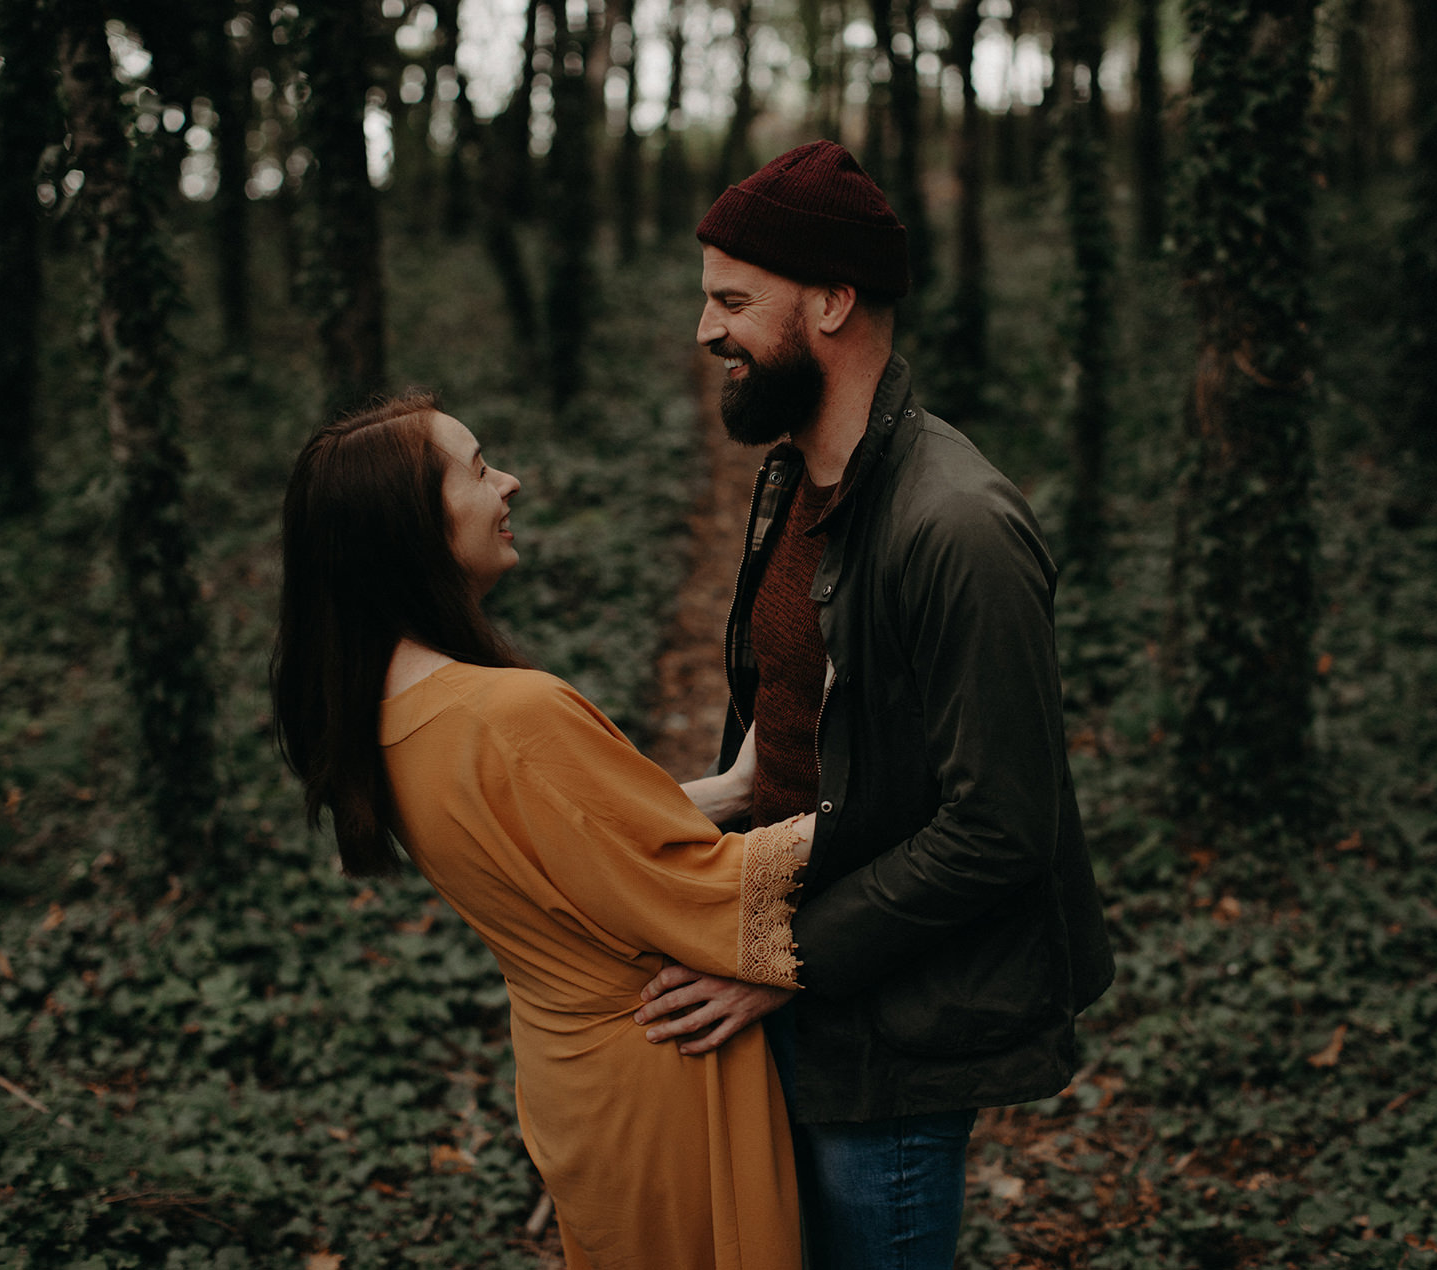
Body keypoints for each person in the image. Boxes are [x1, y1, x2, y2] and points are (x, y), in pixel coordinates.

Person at [632, 141, 1117, 1268]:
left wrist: (774, 958)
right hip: (802, 985)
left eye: (732, 301)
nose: (705, 331)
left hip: (891, 1030)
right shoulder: (796, 476)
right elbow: (791, 734)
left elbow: (1000, 826)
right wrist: (662, 812)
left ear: (835, 301)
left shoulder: (960, 527)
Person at [270, 394, 815, 1270]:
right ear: (410, 528)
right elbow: (700, 890)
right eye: (481, 469)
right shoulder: (509, 714)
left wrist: (738, 786)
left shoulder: (384, 715)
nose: (509, 483)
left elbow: (572, 838)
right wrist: (902, 815)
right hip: (661, 1070)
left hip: (572, 1078)